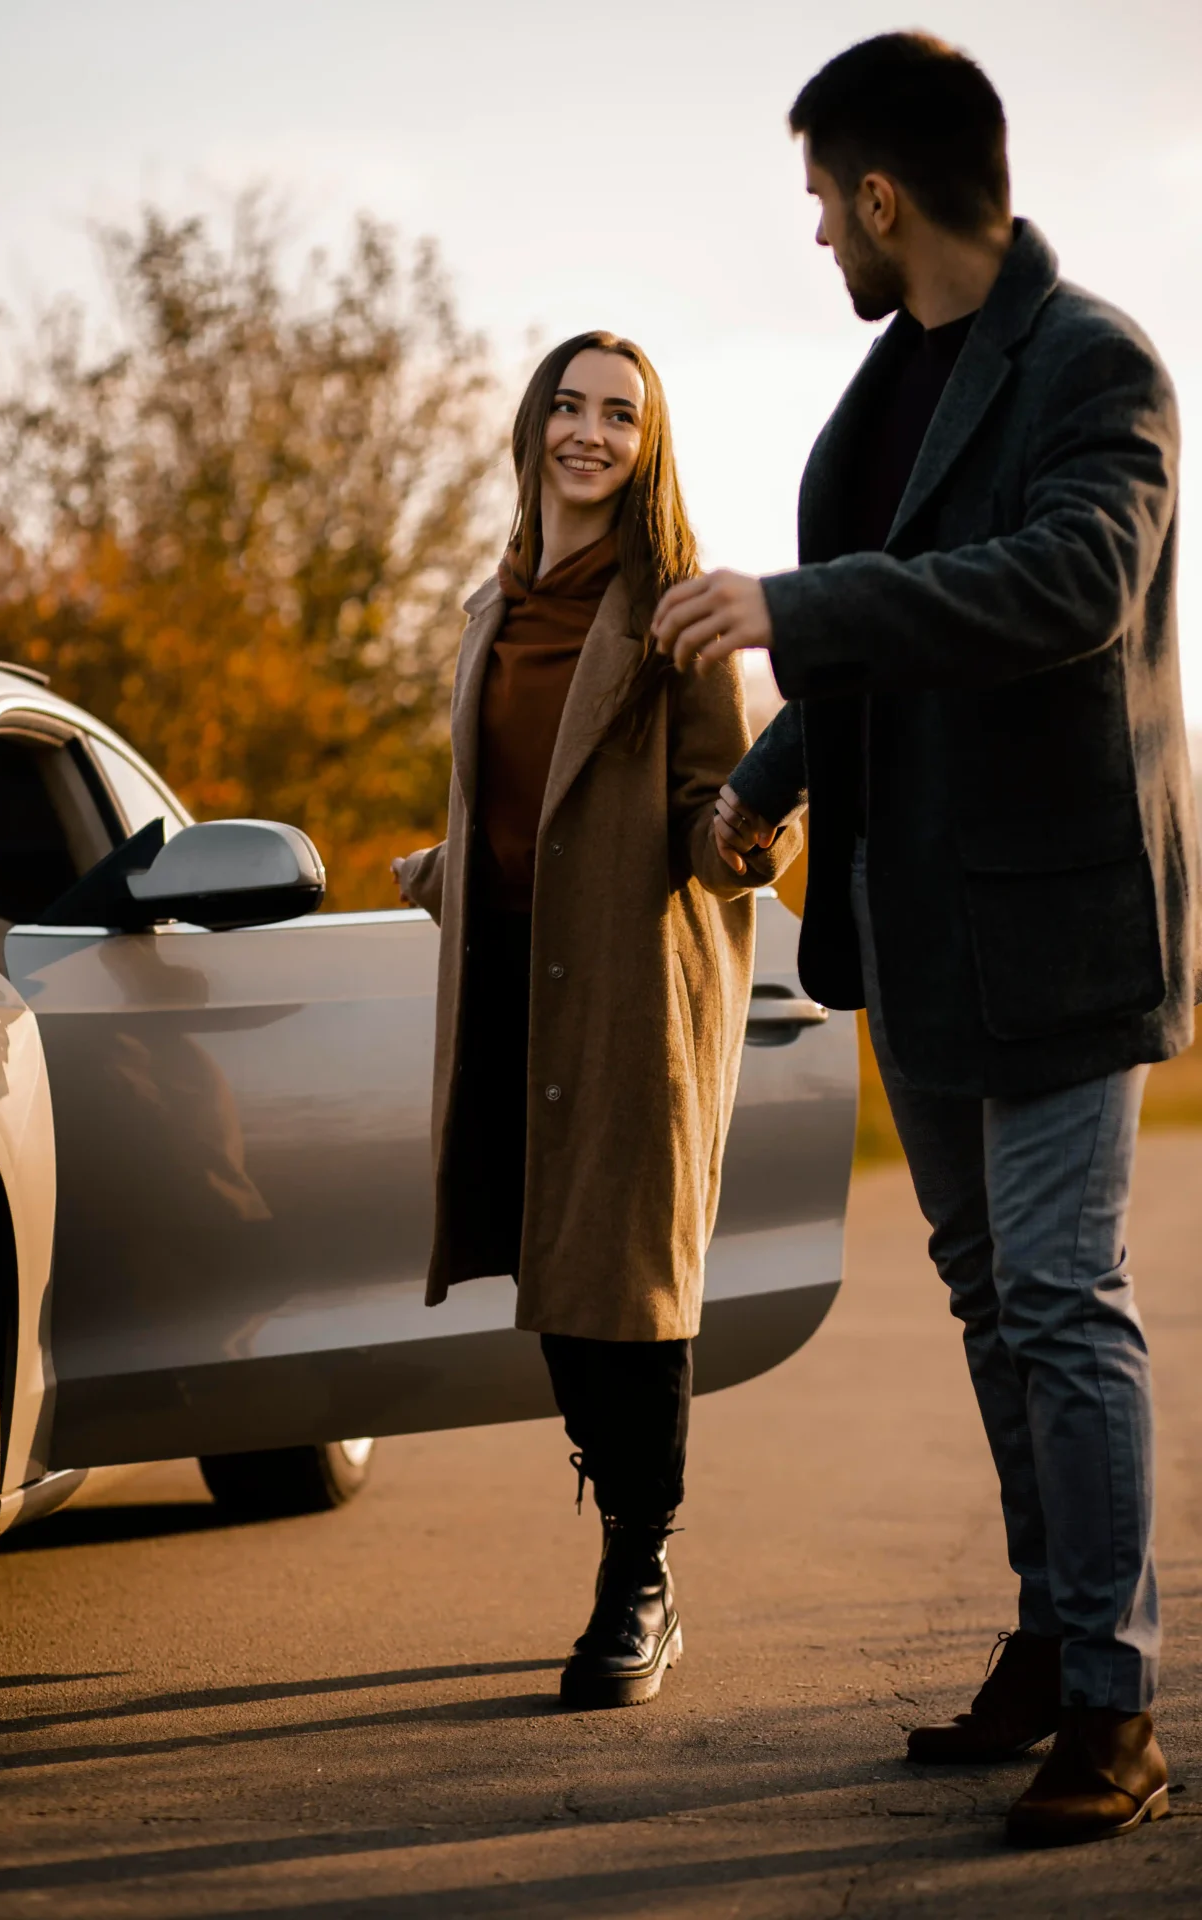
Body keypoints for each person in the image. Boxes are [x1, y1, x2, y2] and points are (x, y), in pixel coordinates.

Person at [653, 32, 1195, 1847]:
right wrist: (771, 785)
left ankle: (1119, 1704)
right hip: (914, 923)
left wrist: (788, 605)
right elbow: (881, 655)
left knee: (1061, 1295)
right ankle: (1052, 1643)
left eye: (821, 201)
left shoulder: (1095, 363)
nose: (817, 238)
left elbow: (1069, 584)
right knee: (989, 1302)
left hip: (1057, 928)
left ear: (883, 194)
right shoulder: (884, 394)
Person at [393, 331, 797, 1710]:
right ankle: (630, 1530)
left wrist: (751, 835)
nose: (586, 431)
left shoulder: (676, 612)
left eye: (616, 416)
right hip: (507, 984)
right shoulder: (487, 610)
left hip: (631, 994)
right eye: (566, 406)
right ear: (530, 430)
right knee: (552, 1279)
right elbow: (517, 804)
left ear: (646, 447)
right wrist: (437, 870)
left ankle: (641, 1576)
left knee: (626, 1290)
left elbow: (703, 812)